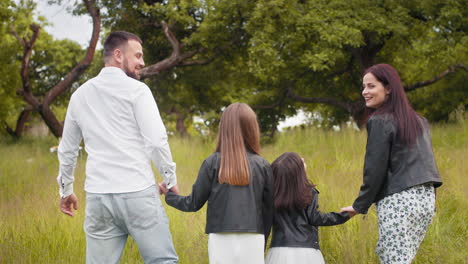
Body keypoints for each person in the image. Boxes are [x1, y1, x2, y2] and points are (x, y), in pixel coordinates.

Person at [57, 31, 179, 263]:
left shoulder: (79, 95)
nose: (142, 62)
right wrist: (170, 180)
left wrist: (66, 190)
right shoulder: (138, 91)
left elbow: (67, 149)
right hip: (137, 193)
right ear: (118, 55)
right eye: (138, 56)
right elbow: (156, 141)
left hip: (98, 198)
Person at [340, 64, 443, 264]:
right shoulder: (420, 120)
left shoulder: (379, 120)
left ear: (388, 88)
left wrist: (359, 206)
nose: (365, 92)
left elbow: (374, 170)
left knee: (394, 260)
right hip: (426, 201)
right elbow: (427, 163)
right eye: (363, 87)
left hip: (399, 202)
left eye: (371, 86)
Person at [161, 103, 274, 264]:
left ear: (224, 128)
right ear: (252, 128)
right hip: (254, 237)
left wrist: (169, 196)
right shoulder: (263, 165)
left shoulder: (212, 163)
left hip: (220, 238)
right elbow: (269, 211)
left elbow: (193, 203)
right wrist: (262, 239)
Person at [265, 152, 350, 264]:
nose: (304, 160)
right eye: (302, 161)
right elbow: (315, 218)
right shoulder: (308, 192)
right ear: (297, 172)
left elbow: (265, 223)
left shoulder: (271, 195)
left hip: (278, 250)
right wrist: (344, 215)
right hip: (306, 252)